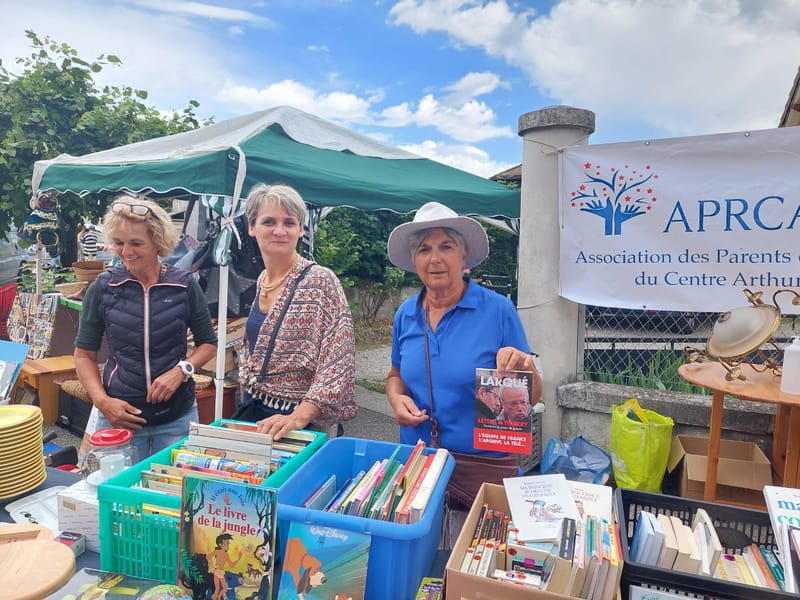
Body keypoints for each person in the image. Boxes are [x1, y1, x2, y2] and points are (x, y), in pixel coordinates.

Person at [384, 201, 543, 539]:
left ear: (463, 255)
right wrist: (396, 399)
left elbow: (529, 397)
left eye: (446, 247)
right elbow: (396, 375)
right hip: (420, 462)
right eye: (424, 249)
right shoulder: (406, 314)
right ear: (414, 260)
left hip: (484, 467)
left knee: (475, 561)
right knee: (421, 560)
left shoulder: (497, 310)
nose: (435, 258)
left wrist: (525, 364)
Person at [74, 195, 217, 460]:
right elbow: (84, 355)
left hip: (177, 417)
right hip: (119, 417)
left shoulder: (184, 285)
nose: (126, 251)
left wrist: (181, 371)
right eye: (119, 242)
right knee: (116, 486)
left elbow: (208, 344)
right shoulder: (104, 287)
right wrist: (102, 402)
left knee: (176, 485)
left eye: (136, 243)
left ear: (158, 243)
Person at [236, 183, 357, 440]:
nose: (279, 231)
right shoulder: (262, 280)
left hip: (299, 424)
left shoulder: (320, 281)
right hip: (256, 411)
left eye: (289, 223)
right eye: (269, 222)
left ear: (300, 230)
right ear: (251, 227)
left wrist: (298, 417)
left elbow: (339, 358)